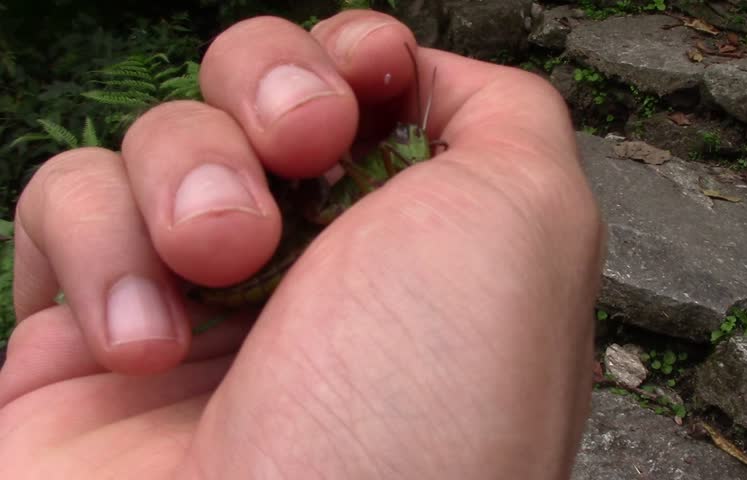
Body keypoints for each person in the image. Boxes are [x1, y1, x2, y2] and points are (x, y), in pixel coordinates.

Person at [0, 10, 604, 479]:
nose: (413, 146)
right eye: (404, 141)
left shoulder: (435, 200)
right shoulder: (362, 173)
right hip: (238, 285)